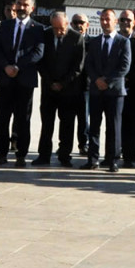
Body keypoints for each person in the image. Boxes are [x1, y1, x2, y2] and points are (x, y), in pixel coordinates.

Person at [0, 0, 45, 167]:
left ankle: (21, 155)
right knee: (1, 118)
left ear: (32, 8)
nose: (22, 7)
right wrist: (7, 66)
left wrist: (18, 67)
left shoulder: (38, 29)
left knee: (23, 119)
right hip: (5, 79)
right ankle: (1, 153)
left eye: (25, 5)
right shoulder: (5, 25)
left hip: (24, 80)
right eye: (19, 4)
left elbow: (38, 52)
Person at [33, 10, 85, 168]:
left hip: (69, 89)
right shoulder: (46, 35)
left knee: (67, 124)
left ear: (67, 24)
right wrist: (50, 82)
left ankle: (64, 156)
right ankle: (44, 155)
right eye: (55, 28)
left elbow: (78, 67)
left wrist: (62, 83)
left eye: (61, 28)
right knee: (47, 123)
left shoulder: (77, 38)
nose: (58, 32)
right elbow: (40, 61)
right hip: (49, 88)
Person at [82, 8, 130, 173]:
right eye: (102, 19)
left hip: (115, 92)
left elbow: (124, 66)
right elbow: (88, 64)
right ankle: (92, 159)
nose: (104, 22)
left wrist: (107, 81)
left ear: (115, 21)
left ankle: (113, 160)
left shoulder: (123, 42)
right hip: (96, 90)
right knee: (94, 126)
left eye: (108, 19)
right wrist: (96, 79)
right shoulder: (95, 42)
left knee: (113, 127)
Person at [118, 10, 135, 168]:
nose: (125, 23)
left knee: (133, 121)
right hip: (116, 87)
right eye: (122, 20)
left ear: (134, 22)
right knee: (118, 122)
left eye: (128, 20)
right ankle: (117, 151)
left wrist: (128, 77)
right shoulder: (114, 39)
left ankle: (131, 154)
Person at [70, 14, 91, 155]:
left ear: (87, 25)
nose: (79, 25)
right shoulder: (67, 41)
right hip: (69, 85)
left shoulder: (93, 42)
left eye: (81, 22)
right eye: (75, 22)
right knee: (67, 118)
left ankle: (84, 144)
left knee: (84, 118)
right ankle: (65, 145)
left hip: (86, 86)